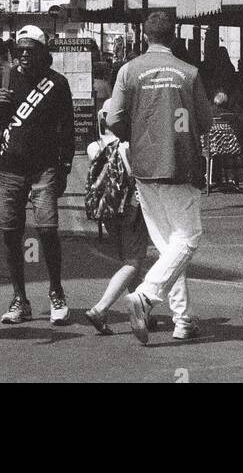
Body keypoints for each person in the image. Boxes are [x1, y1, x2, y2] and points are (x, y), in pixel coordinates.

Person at [107, 10, 213, 345]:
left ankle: (182, 320)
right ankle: (146, 295)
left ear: (144, 34)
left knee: (169, 246)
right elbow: (206, 122)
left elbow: (113, 120)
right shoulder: (189, 73)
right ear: (174, 35)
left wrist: (138, 133)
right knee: (188, 239)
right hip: (181, 163)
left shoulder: (129, 70)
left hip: (144, 165)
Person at [0, 23, 75, 326]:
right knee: (10, 234)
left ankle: (56, 291)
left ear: (42, 53)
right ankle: (19, 298)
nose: (23, 55)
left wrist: (64, 168)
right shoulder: (5, 79)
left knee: (47, 230)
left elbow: (68, 129)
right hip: (9, 167)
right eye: (19, 50)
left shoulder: (57, 84)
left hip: (44, 168)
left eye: (30, 51)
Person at [85, 102, 151, 336]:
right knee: (133, 262)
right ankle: (100, 309)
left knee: (129, 264)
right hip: (131, 209)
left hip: (109, 211)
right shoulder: (128, 146)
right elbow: (139, 177)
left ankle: (140, 316)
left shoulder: (96, 146)